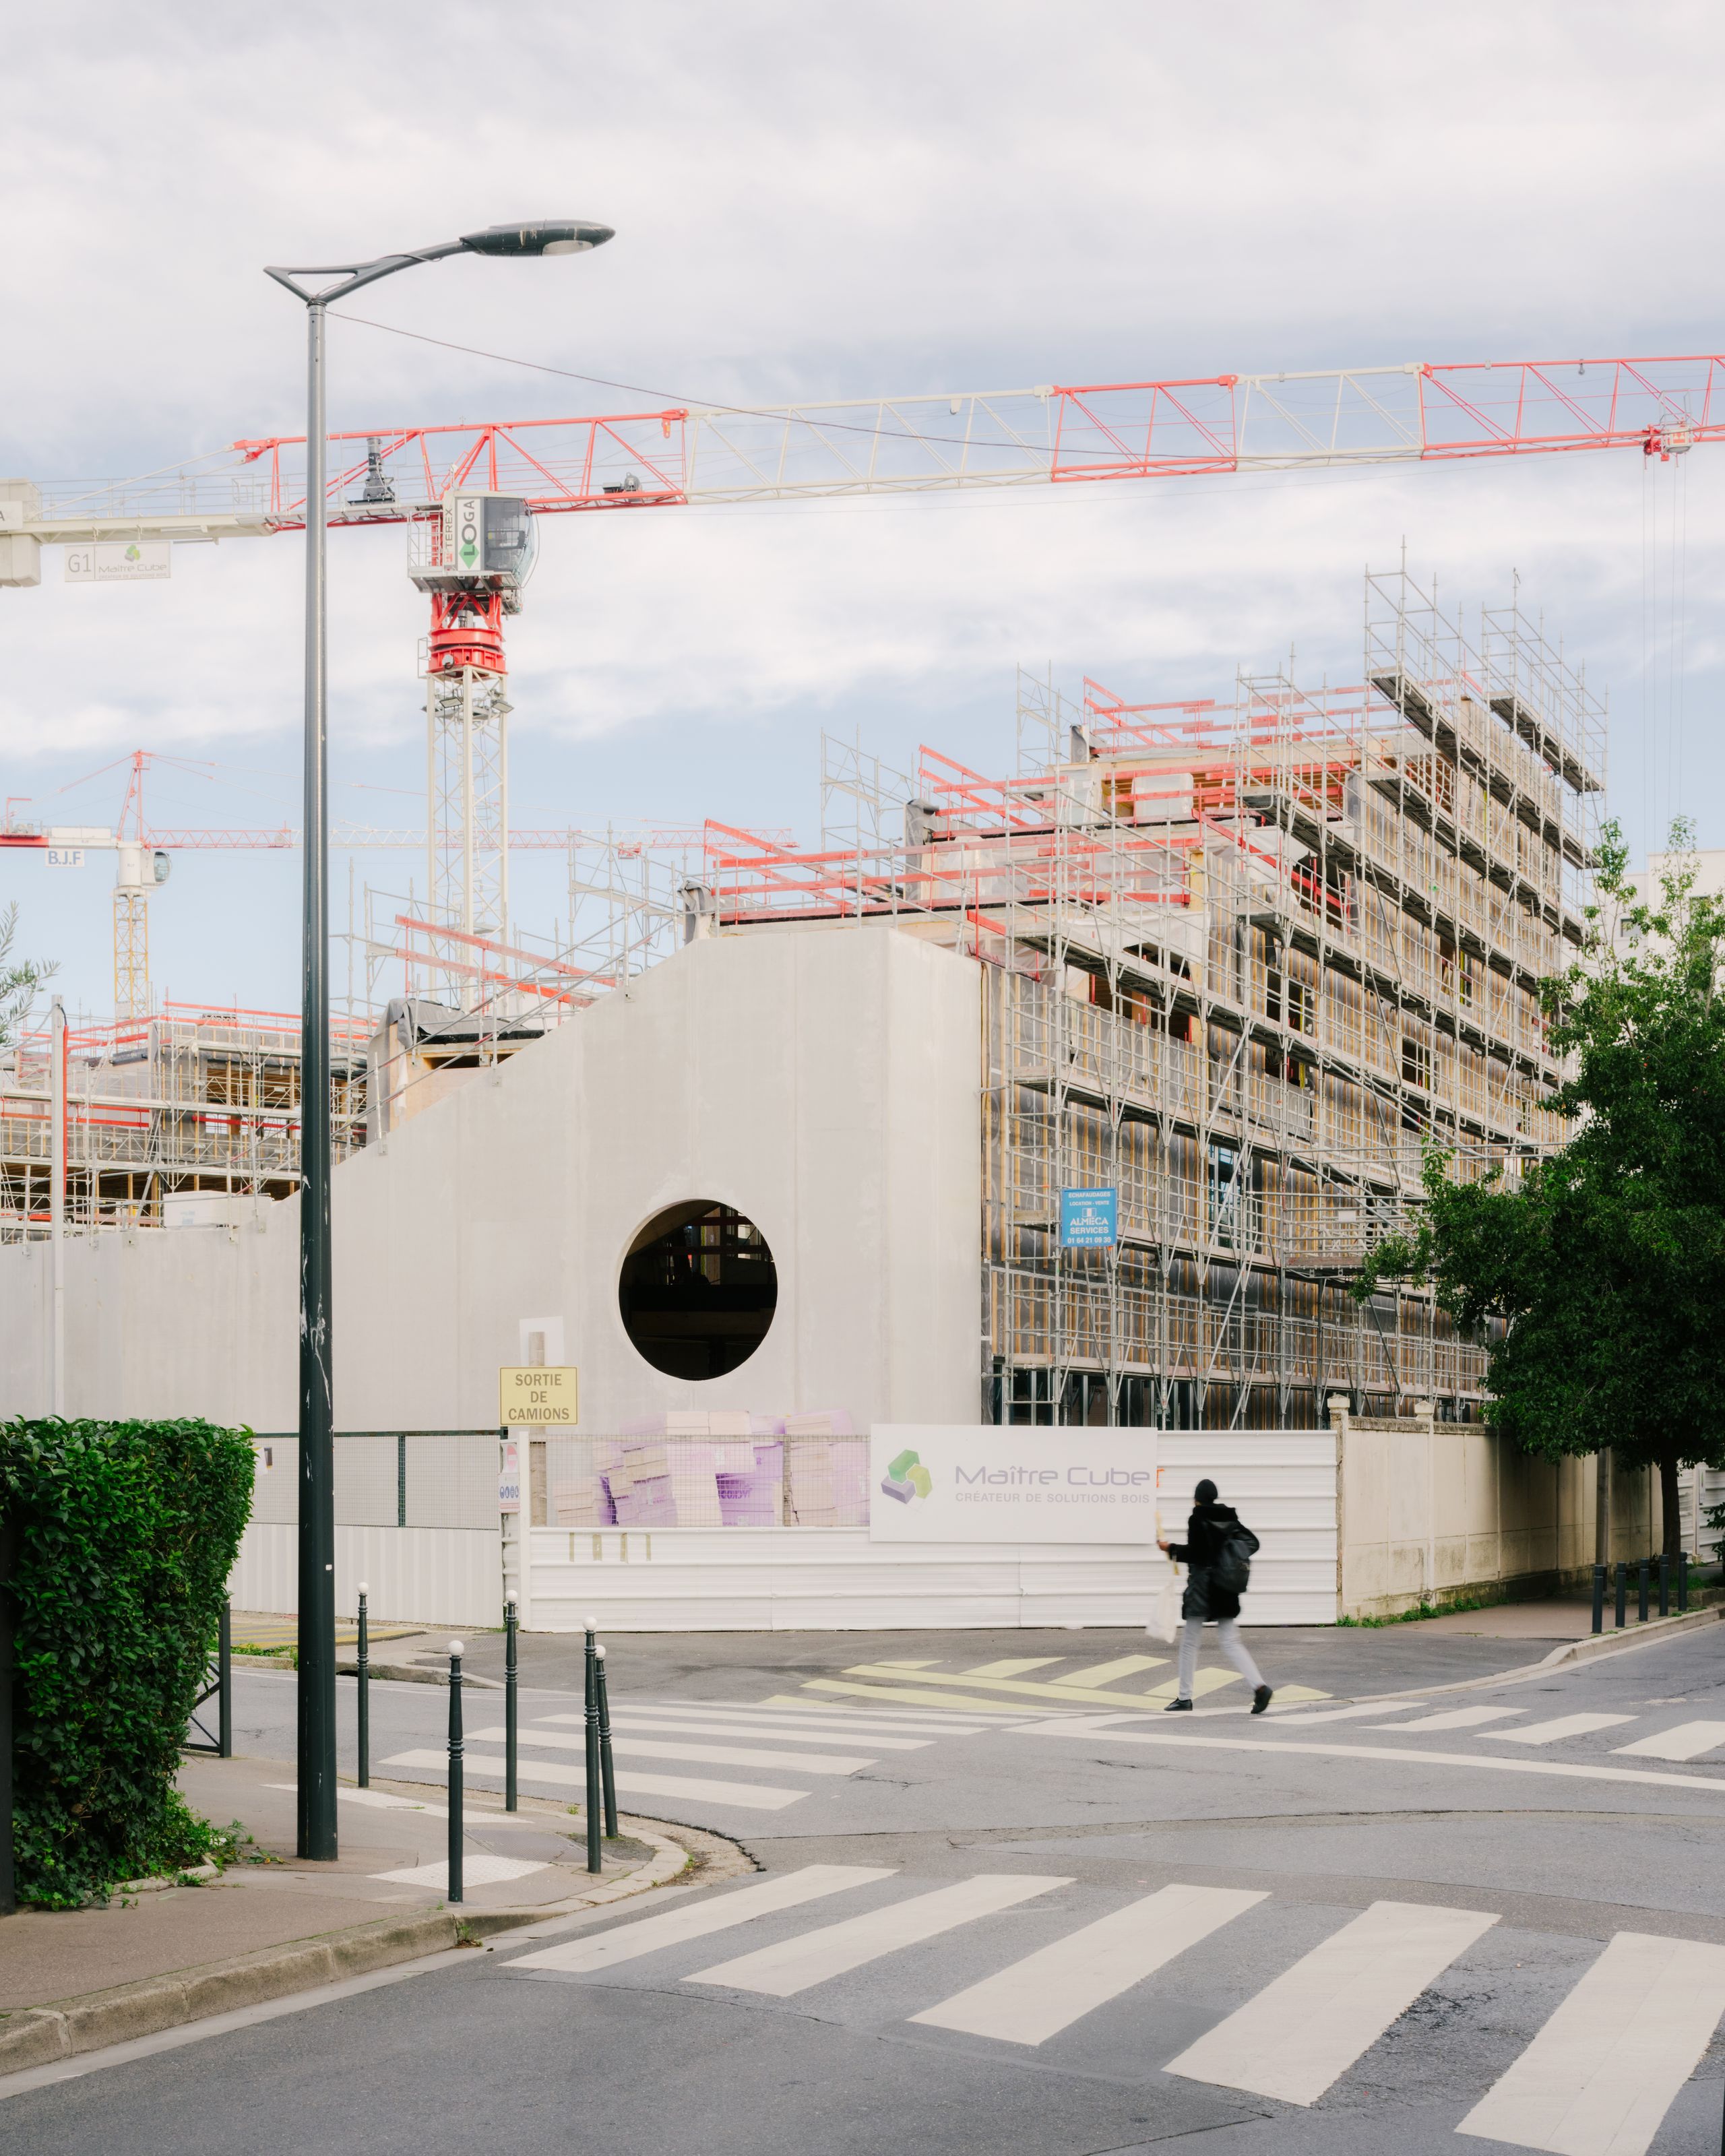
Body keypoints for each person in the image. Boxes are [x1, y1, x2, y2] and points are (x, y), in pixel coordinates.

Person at [1157, 1477, 1273, 1714]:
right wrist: (1229, 1557)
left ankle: (1184, 1698)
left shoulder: (1197, 1518)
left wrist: (1171, 1549)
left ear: (1197, 1498)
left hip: (1202, 1590)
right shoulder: (1230, 1517)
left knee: (1190, 1643)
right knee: (1231, 1641)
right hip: (1226, 1588)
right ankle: (1260, 1688)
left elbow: (1198, 1554)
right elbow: (1253, 1543)